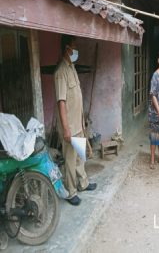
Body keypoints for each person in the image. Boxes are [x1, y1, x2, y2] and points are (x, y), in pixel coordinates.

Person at [54, 35, 97, 206]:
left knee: (80, 156)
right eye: (74, 47)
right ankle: (71, 192)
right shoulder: (60, 72)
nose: (76, 51)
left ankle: (83, 183)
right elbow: (61, 102)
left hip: (77, 124)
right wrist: (66, 129)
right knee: (70, 160)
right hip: (69, 127)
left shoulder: (72, 68)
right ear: (66, 48)